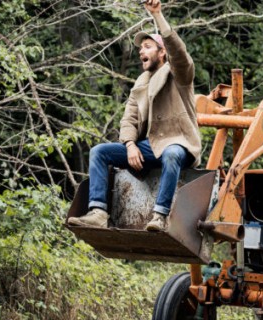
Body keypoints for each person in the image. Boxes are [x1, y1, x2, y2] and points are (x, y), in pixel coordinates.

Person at [67, 0, 201, 232]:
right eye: (141, 48)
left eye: (148, 46)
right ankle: (98, 212)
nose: (141, 51)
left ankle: (159, 216)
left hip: (177, 144)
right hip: (150, 147)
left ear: (162, 52)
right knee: (100, 152)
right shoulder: (140, 84)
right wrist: (130, 145)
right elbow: (128, 119)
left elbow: (179, 54)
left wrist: (158, 16)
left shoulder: (178, 74)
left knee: (171, 155)